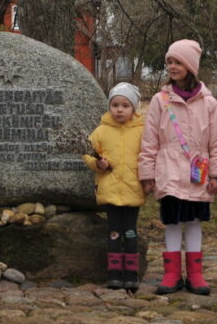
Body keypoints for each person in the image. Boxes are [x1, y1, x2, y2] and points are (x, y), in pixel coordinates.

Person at [139, 39, 217, 295]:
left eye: (178, 62)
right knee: (172, 222)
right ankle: (172, 274)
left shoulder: (208, 103)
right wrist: (147, 173)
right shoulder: (160, 100)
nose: (172, 67)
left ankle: (196, 274)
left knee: (194, 222)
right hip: (168, 172)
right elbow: (149, 140)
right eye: (169, 62)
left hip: (197, 174)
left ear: (190, 66)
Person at [84, 82, 146, 291]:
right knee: (113, 233)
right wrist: (97, 163)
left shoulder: (141, 131)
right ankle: (113, 274)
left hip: (132, 190)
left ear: (133, 108)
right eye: (115, 105)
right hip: (110, 190)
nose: (119, 110)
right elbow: (87, 152)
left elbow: (149, 156)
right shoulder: (101, 131)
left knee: (130, 232)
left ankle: (131, 274)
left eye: (125, 105)